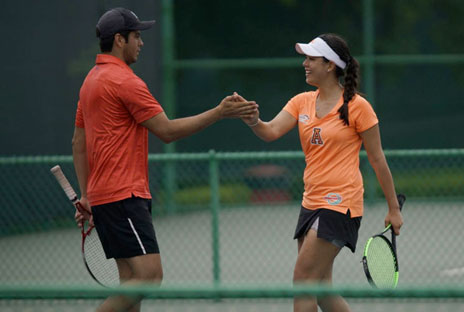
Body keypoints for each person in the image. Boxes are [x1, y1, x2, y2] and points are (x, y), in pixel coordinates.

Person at [72, 7, 257, 312]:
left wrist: (87, 193)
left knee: (131, 283)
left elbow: (78, 142)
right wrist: (220, 112)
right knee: (150, 277)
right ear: (120, 40)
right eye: (136, 36)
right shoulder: (125, 81)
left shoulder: (90, 81)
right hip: (124, 196)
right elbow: (167, 131)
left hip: (108, 198)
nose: (141, 43)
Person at [238, 33, 403, 312]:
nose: (305, 63)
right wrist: (254, 121)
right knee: (322, 292)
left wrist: (393, 208)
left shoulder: (358, 107)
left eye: (311, 58)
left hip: (341, 205)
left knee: (303, 283)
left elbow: (377, 159)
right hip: (310, 203)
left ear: (330, 65)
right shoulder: (301, 102)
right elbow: (271, 131)